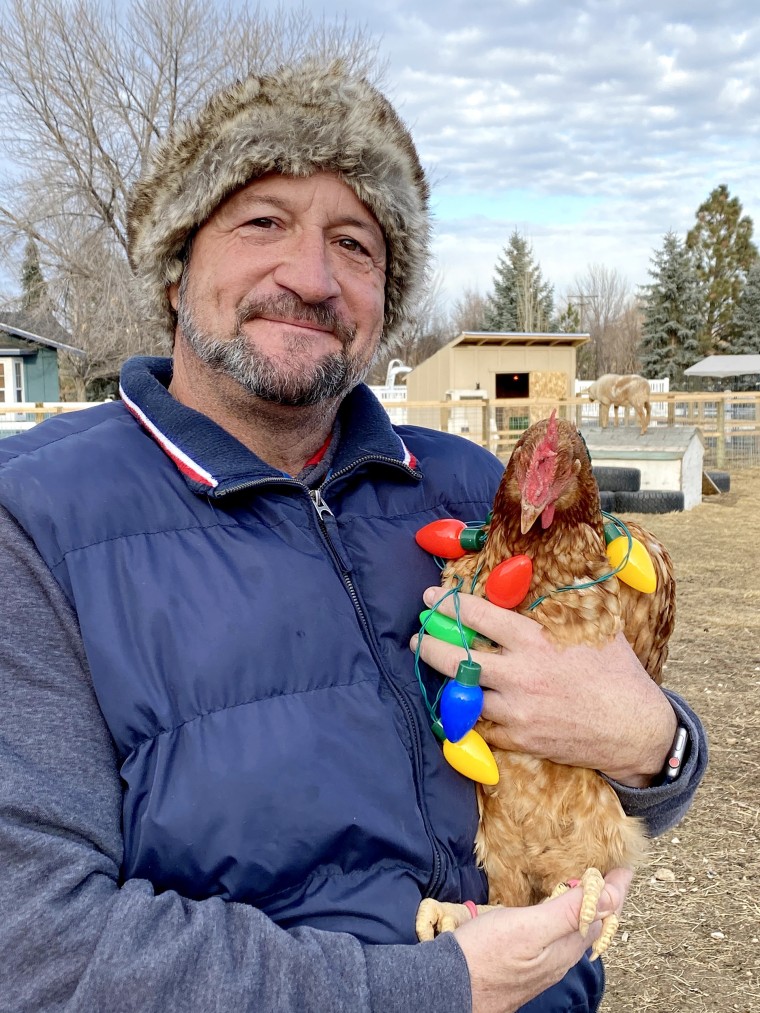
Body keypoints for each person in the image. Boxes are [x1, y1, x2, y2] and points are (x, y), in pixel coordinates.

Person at [0, 60, 706, 1013]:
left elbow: (627, 759)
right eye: (262, 222)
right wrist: (432, 989)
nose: (313, 276)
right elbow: (39, 945)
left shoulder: (468, 489)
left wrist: (655, 745)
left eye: (356, 244)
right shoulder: (36, 523)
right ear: (175, 269)